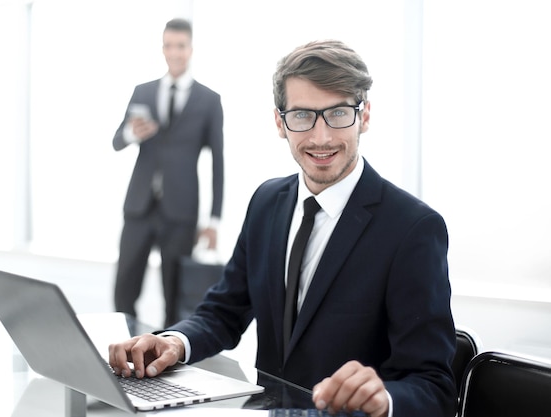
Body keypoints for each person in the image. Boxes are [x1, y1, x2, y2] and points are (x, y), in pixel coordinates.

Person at [108, 39, 456, 417]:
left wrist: (383, 399)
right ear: (280, 122)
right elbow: (224, 310)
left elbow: (434, 387)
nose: (321, 137)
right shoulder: (267, 201)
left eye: (338, 113)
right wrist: (175, 341)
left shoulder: (413, 228)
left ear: (365, 116)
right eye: (302, 116)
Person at [112, 18, 224, 327]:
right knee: (124, 288)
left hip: (181, 211)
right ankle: (123, 353)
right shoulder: (142, 92)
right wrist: (134, 133)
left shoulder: (210, 100)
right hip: (139, 207)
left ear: (190, 49)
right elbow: (117, 141)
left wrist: (214, 220)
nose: (174, 53)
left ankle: (167, 361)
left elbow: (218, 162)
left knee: (175, 297)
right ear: (162, 48)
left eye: (180, 46)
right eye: (168, 46)